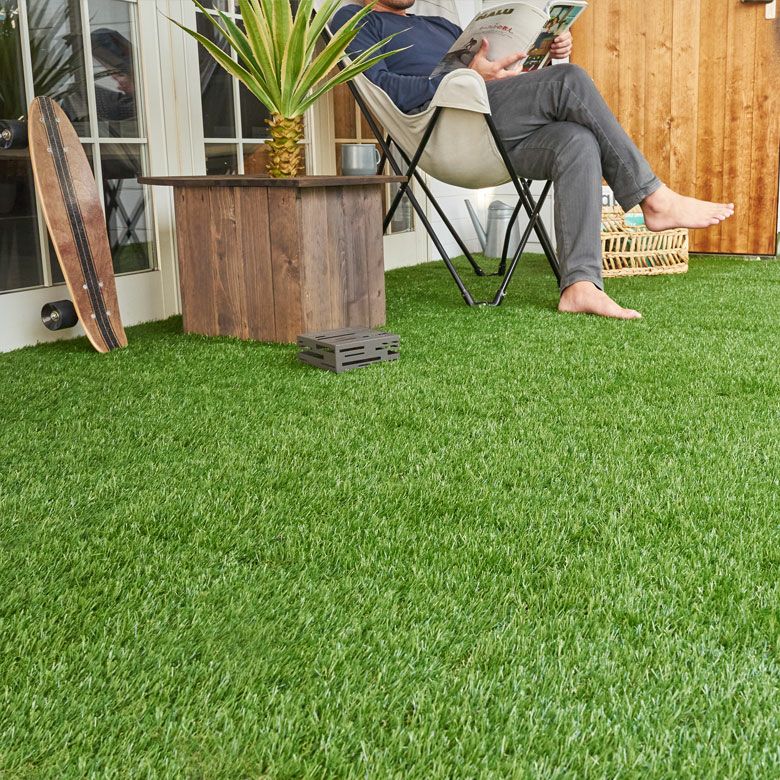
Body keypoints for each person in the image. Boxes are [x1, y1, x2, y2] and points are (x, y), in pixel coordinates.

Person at [332, 1, 735, 320]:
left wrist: (543, 53)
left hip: (490, 122)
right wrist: (463, 79)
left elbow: (498, 76)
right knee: (570, 80)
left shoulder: (442, 27)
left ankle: (580, 285)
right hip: (443, 130)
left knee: (576, 140)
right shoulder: (356, 21)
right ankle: (654, 199)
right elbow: (382, 86)